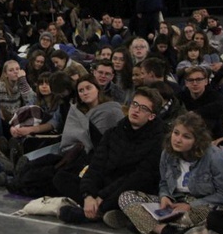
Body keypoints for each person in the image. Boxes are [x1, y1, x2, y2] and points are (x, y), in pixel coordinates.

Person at [115, 112, 223, 234]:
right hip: (175, 202)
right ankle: (168, 232)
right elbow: (164, 182)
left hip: (202, 204)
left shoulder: (215, 158)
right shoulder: (168, 153)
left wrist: (190, 205)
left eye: (186, 136)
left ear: (197, 141)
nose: (177, 139)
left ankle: (141, 222)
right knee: (125, 197)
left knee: (207, 217)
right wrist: (164, 196)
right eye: (176, 133)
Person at [56, 87, 164, 224]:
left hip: (128, 188)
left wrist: (101, 196)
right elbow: (96, 166)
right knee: (62, 177)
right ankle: (96, 210)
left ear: (151, 116)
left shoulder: (158, 140)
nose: (136, 110)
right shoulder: (113, 133)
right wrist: (88, 195)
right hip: (105, 184)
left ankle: (93, 213)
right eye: (135, 104)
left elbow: (139, 177)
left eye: (143, 108)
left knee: (126, 194)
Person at [178, 66, 223, 139]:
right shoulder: (181, 96)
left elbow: (220, 106)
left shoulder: (216, 97)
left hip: (212, 135)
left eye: (199, 79)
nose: (194, 83)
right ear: (186, 83)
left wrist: (194, 113)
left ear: (206, 81)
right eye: (191, 80)